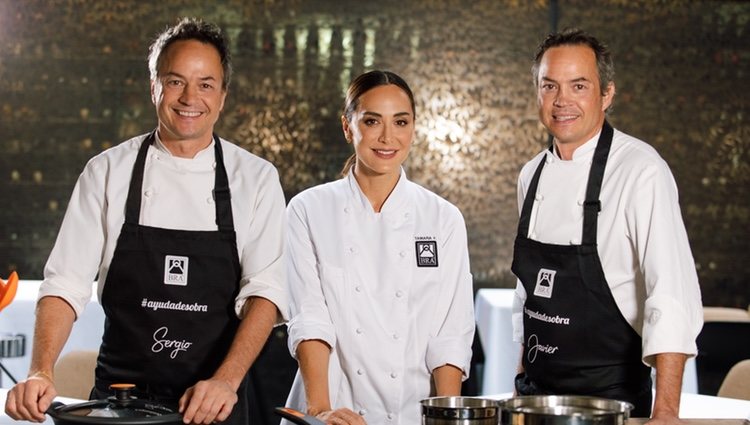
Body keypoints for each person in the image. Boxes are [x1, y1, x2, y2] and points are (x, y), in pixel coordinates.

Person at [4, 17, 287, 425]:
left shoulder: (256, 178)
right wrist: (40, 369)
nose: (190, 97)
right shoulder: (106, 172)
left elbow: (266, 295)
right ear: (153, 87)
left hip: (213, 406)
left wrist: (226, 380)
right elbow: (65, 284)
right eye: (175, 81)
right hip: (117, 405)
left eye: (205, 84)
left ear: (223, 96)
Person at [511, 28, 703, 421]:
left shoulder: (641, 170)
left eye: (578, 86)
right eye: (550, 86)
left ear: (607, 94)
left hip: (611, 402)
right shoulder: (530, 176)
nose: (562, 101)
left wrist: (666, 411)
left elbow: (670, 294)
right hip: (536, 400)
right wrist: (520, 376)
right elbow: (529, 292)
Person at [282, 70, 475, 425]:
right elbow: (310, 320)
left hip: (413, 413)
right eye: (372, 121)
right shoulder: (308, 210)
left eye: (400, 122)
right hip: (332, 407)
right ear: (348, 126)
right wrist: (321, 411)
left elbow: (450, 334)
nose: (388, 137)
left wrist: (446, 417)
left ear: (414, 128)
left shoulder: (442, 218)